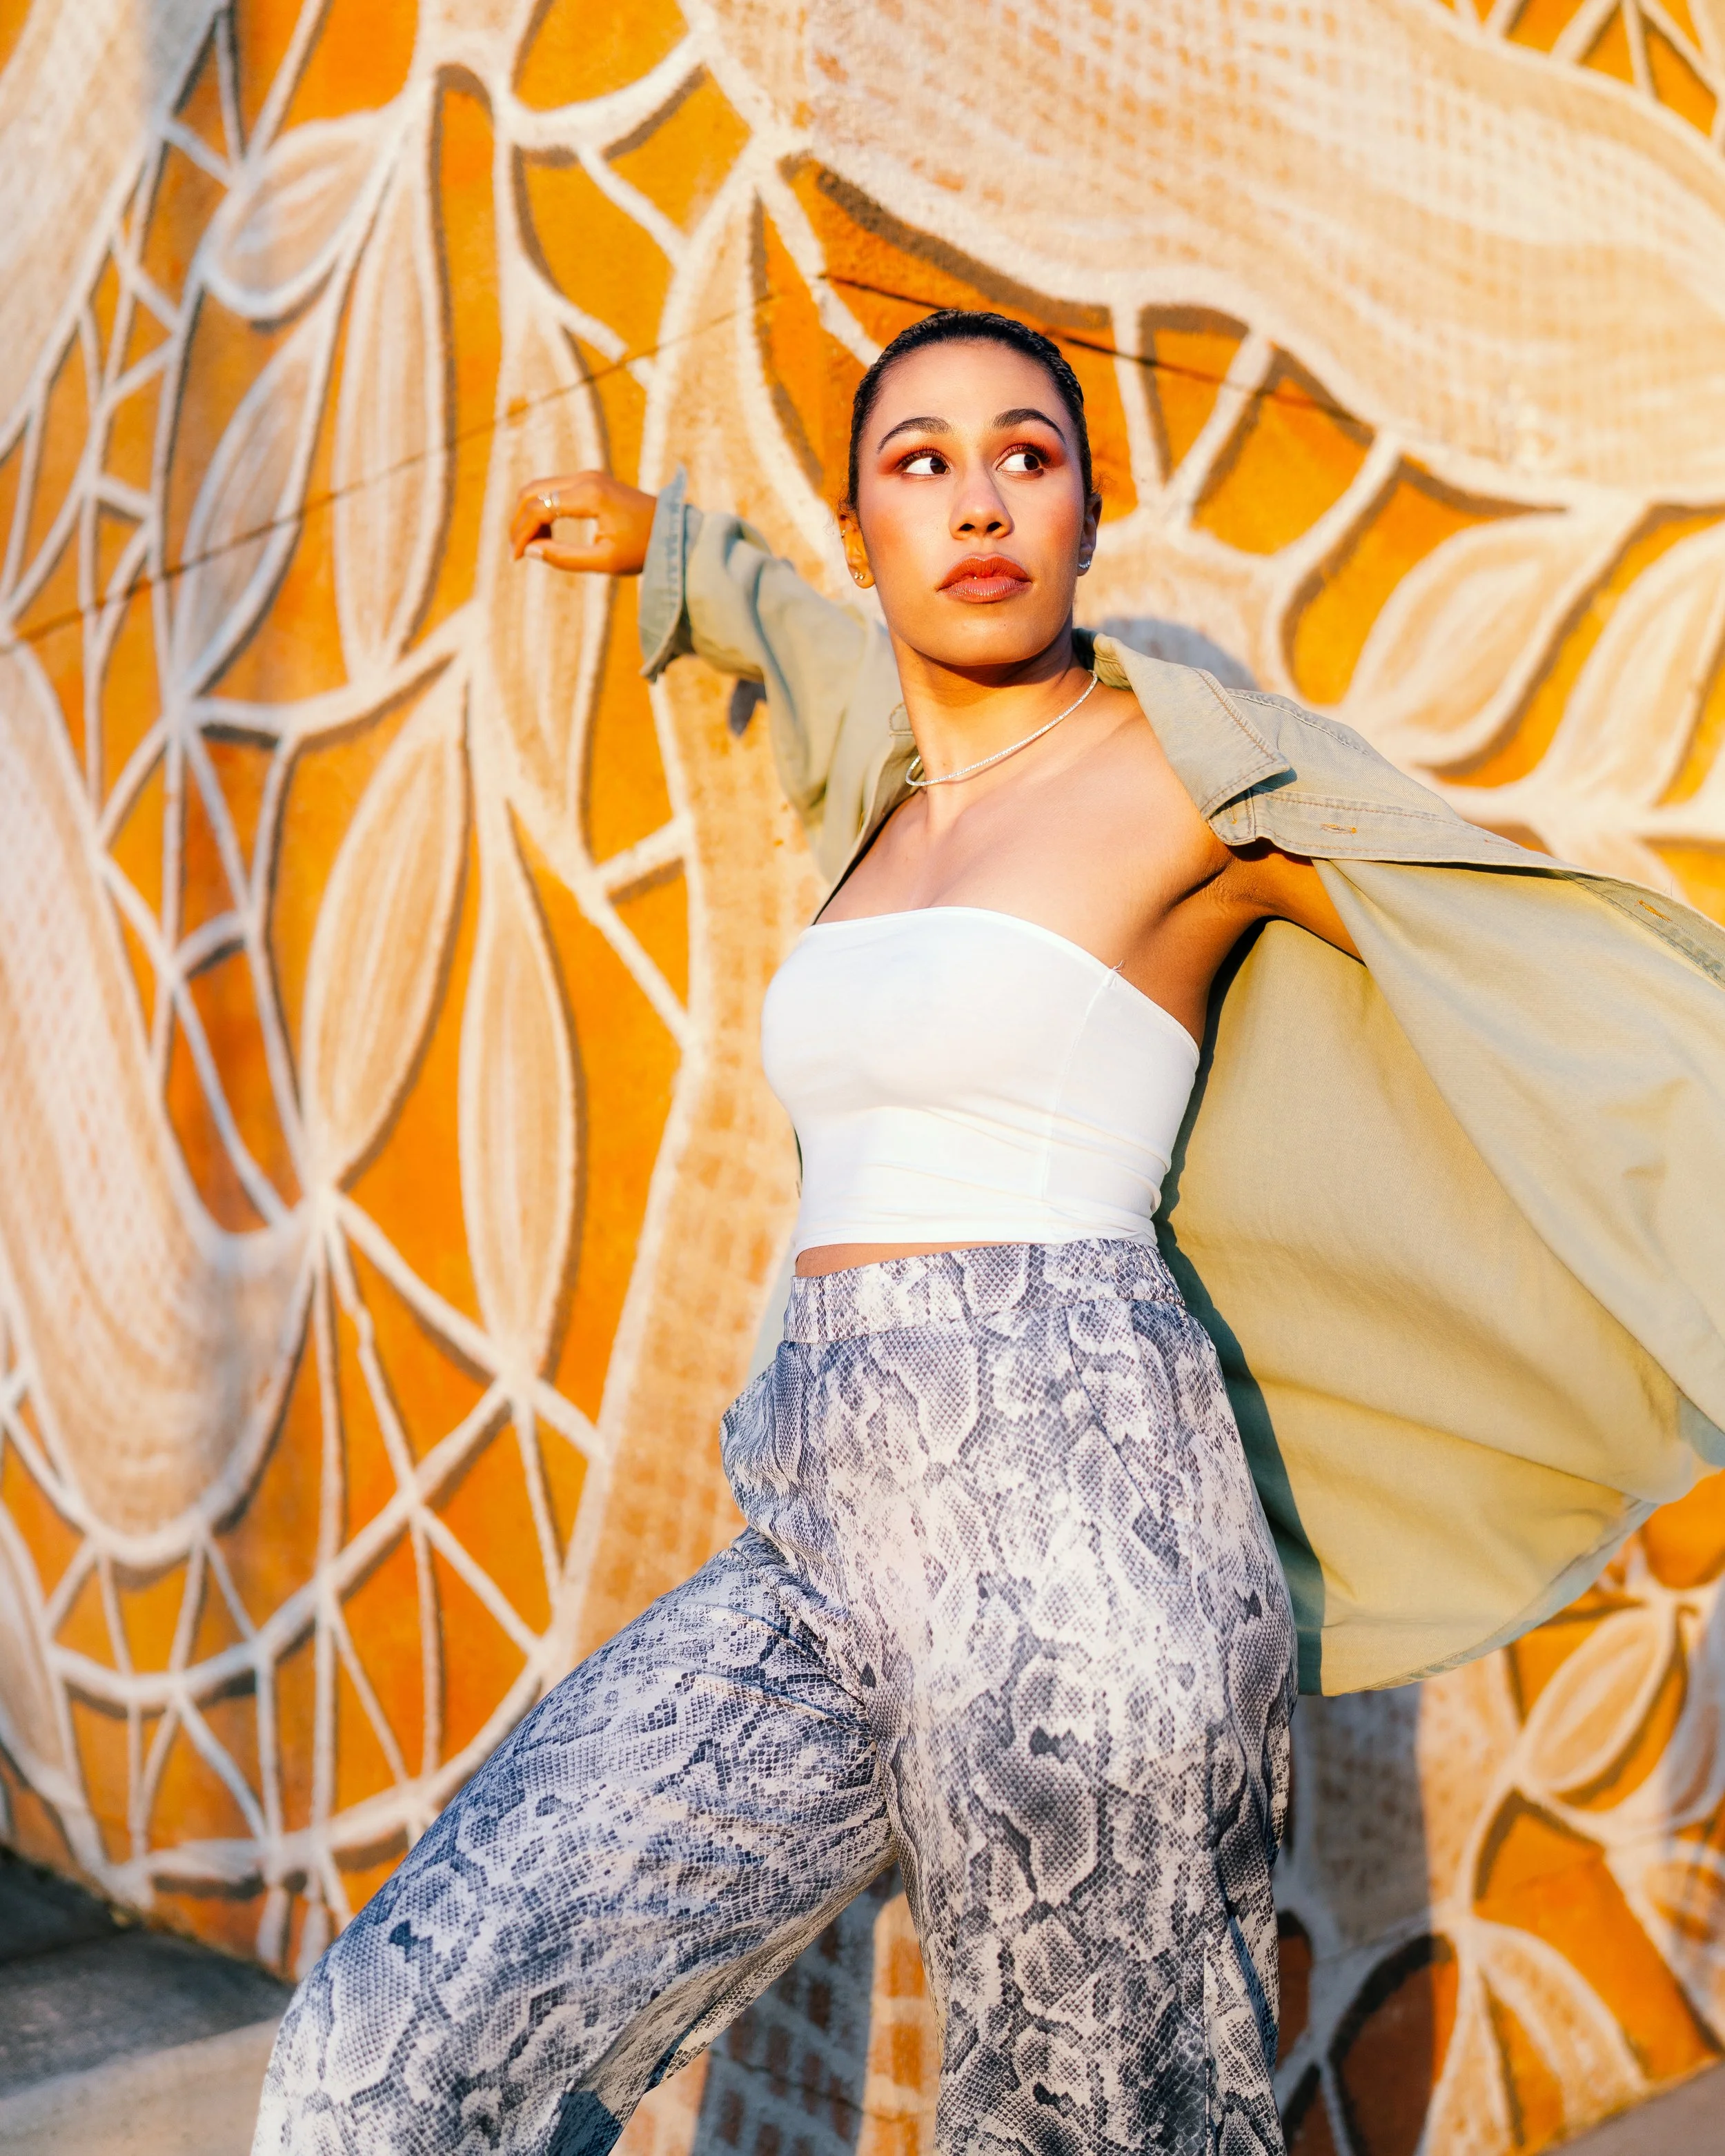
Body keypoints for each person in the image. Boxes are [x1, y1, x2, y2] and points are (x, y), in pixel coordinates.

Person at [255, 310, 1725, 2156]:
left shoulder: (1184, 773)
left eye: (1027, 456)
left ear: (1088, 515)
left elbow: (1518, 963)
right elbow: (827, 660)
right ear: (862, 529)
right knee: (397, 2036)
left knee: (1092, 2133)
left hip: (1085, 1535)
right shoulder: (883, 798)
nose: (977, 502)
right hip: (820, 1534)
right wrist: (685, 554)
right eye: (921, 461)